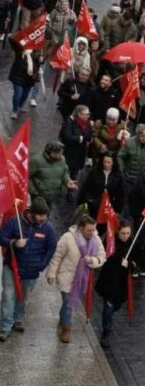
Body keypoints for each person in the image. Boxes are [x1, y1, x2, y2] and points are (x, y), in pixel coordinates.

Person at [0, 198, 57, 341]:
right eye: (40, 215)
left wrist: (42, 264)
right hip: (11, 267)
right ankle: (5, 326)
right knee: (8, 296)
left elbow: (51, 248)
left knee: (22, 297)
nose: (44, 219)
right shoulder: (15, 222)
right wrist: (14, 242)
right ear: (32, 213)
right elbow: (1, 237)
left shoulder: (48, 228)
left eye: (45, 215)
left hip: (31, 271)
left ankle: (17, 318)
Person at [47, 214, 106, 343]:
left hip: (82, 278)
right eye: (89, 230)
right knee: (69, 303)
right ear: (80, 228)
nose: (92, 233)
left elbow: (102, 257)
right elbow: (57, 256)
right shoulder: (67, 238)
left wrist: (92, 260)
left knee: (67, 305)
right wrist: (51, 273)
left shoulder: (96, 240)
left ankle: (63, 319)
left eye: (93, 229)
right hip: (66, 276)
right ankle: (67, 329)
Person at [95, 221, 137, 348]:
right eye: (123, 233)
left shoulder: (132, 244)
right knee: (108, 308)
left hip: (122, 283)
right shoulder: (110, 241)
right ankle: (106, 333)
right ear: (118, 232)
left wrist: (129, 264)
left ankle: (108, 317)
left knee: (117, 305)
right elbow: (103, 256)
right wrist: (116, 258)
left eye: (128, 233)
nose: (125, 236)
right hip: (109, 280)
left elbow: (136, 264)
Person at [77, 151, 124, 221]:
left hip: (109, 207)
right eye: (105, 162)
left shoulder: (118, 176)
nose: (106, 164)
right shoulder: (94, 172)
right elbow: (85, 188)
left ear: (113, 163)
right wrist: (81, 204)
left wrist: (118, 211)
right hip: (93, 206)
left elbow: (120, 195)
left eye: (109, 162)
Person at [29, 141, 75, 205]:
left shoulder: (62, 159)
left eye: (61, 153)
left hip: (54, 196)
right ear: (51, 152)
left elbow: (64, 172)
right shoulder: (36, 161)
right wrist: (34, 192)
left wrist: (67, 181)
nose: (61, 155)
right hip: (39, 197)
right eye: (58, 153)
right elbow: (27, 177)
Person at [118, 124, 145, 191]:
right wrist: (122, 169)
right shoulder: (130, 142)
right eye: (138, 136)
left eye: (143, 136)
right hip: (131, 178)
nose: (140, 138)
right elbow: (120, 156)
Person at [60, 104, 94, 184]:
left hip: (81, 153)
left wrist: (83, 138)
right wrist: (80, 138)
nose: (88, 116)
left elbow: (89, 135)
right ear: (79, 114)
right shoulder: (69, 122)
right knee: (67, 173)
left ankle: (71, 188)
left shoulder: (87, 123)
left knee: (75, 173)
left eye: (88, 114)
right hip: (70, 153)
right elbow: (67, 137)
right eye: (86, 114)